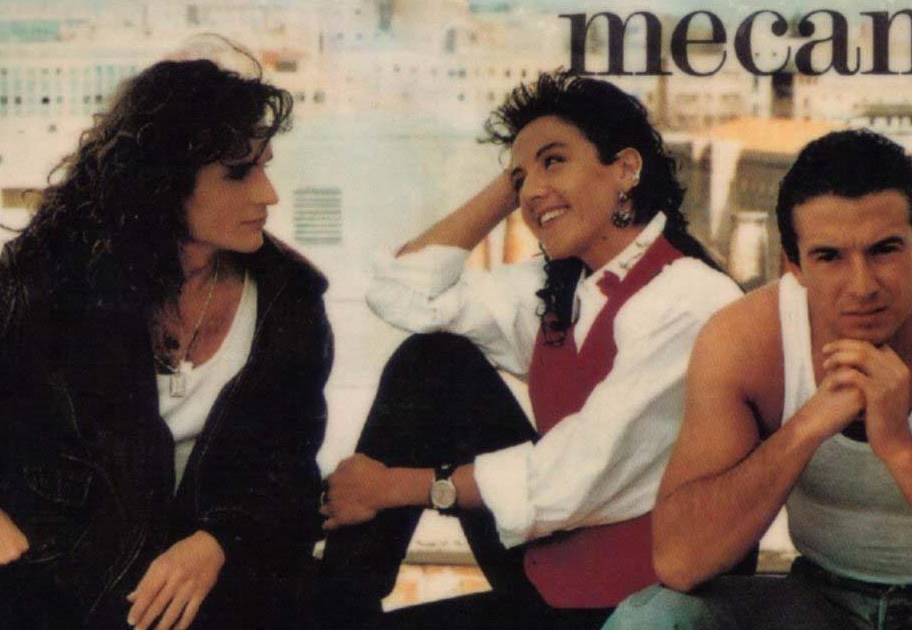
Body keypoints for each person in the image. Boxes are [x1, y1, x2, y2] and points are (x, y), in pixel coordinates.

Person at [315, 71, 747, 629]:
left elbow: (576, 474)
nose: (531, 192)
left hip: (640, 603)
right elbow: (403, 293)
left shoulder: (690, 298)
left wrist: (393, 488)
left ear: (625, 168)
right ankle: (335, 607)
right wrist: (513, 186)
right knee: (433, 360)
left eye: (554, 161)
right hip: (558, 571)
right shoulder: (562, 287)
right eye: (522, 179)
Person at [605, 129, 912, 629]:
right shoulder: (745, 339)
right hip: (819, 602)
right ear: (792, 265)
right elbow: (680, 561)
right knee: (651, 620)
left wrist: (901, 449)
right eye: (829, 257)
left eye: (884, 250)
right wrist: (807, 425)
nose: (862, 286)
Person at [0, 54, 332, 630]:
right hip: (56, 598)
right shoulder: (39, 284)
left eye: (265, 167)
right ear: (164, 182)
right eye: (239, 174)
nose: (268, 195)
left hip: (219, 600)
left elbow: (290, 466)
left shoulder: (289, 297)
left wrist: (216, 542)